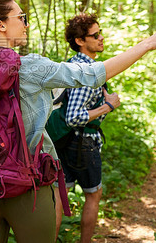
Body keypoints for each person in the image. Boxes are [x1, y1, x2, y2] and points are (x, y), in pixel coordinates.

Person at [0, 0, 156, 242]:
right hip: (27, 190)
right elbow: (94, 74)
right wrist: (147, 44)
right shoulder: (30, 67)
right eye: (21, 17)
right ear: (0, 25)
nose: (26, 24)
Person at [54, 13, 119, 242]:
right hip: (82, 143)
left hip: (61, 141)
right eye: (95, 35)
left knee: (60, 196)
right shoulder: (87, 73)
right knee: (93, 195)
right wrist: (107, 106)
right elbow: (73, 116)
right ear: (80, 41)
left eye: (100, 33)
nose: (101, 38)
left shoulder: (71, 65)